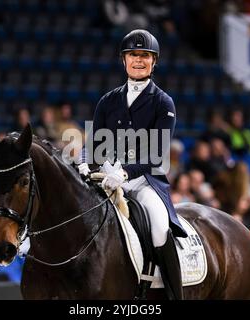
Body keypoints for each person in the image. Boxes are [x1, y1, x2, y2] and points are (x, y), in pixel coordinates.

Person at [78, 29, 186, 299]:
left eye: (145, 56)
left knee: (160, 228)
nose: (139, 60)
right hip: (106, 176)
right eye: (133, 55)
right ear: (124, 60)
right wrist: (82, 163)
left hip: (144, 181)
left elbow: (157, 155)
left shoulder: (163, 102)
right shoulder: (108, 100)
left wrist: (125, 174)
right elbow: (93, 143)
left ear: (154, 62)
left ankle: (174, 294)